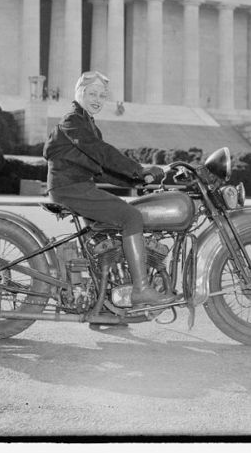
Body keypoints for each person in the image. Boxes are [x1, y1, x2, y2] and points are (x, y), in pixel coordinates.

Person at [43, 70, 176, 308]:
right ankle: (141, 289)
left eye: (102, 96)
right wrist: (138, 168)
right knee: (131, 217)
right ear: (79, 94)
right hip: (70, 188)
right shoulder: (73, 121)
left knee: (109, 233)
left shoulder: (88, 125)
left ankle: (106, 303)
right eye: (92, 93)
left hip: (77, 186)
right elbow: (103, 153)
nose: (97, 99)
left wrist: (138, 181)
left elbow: (102, 170)